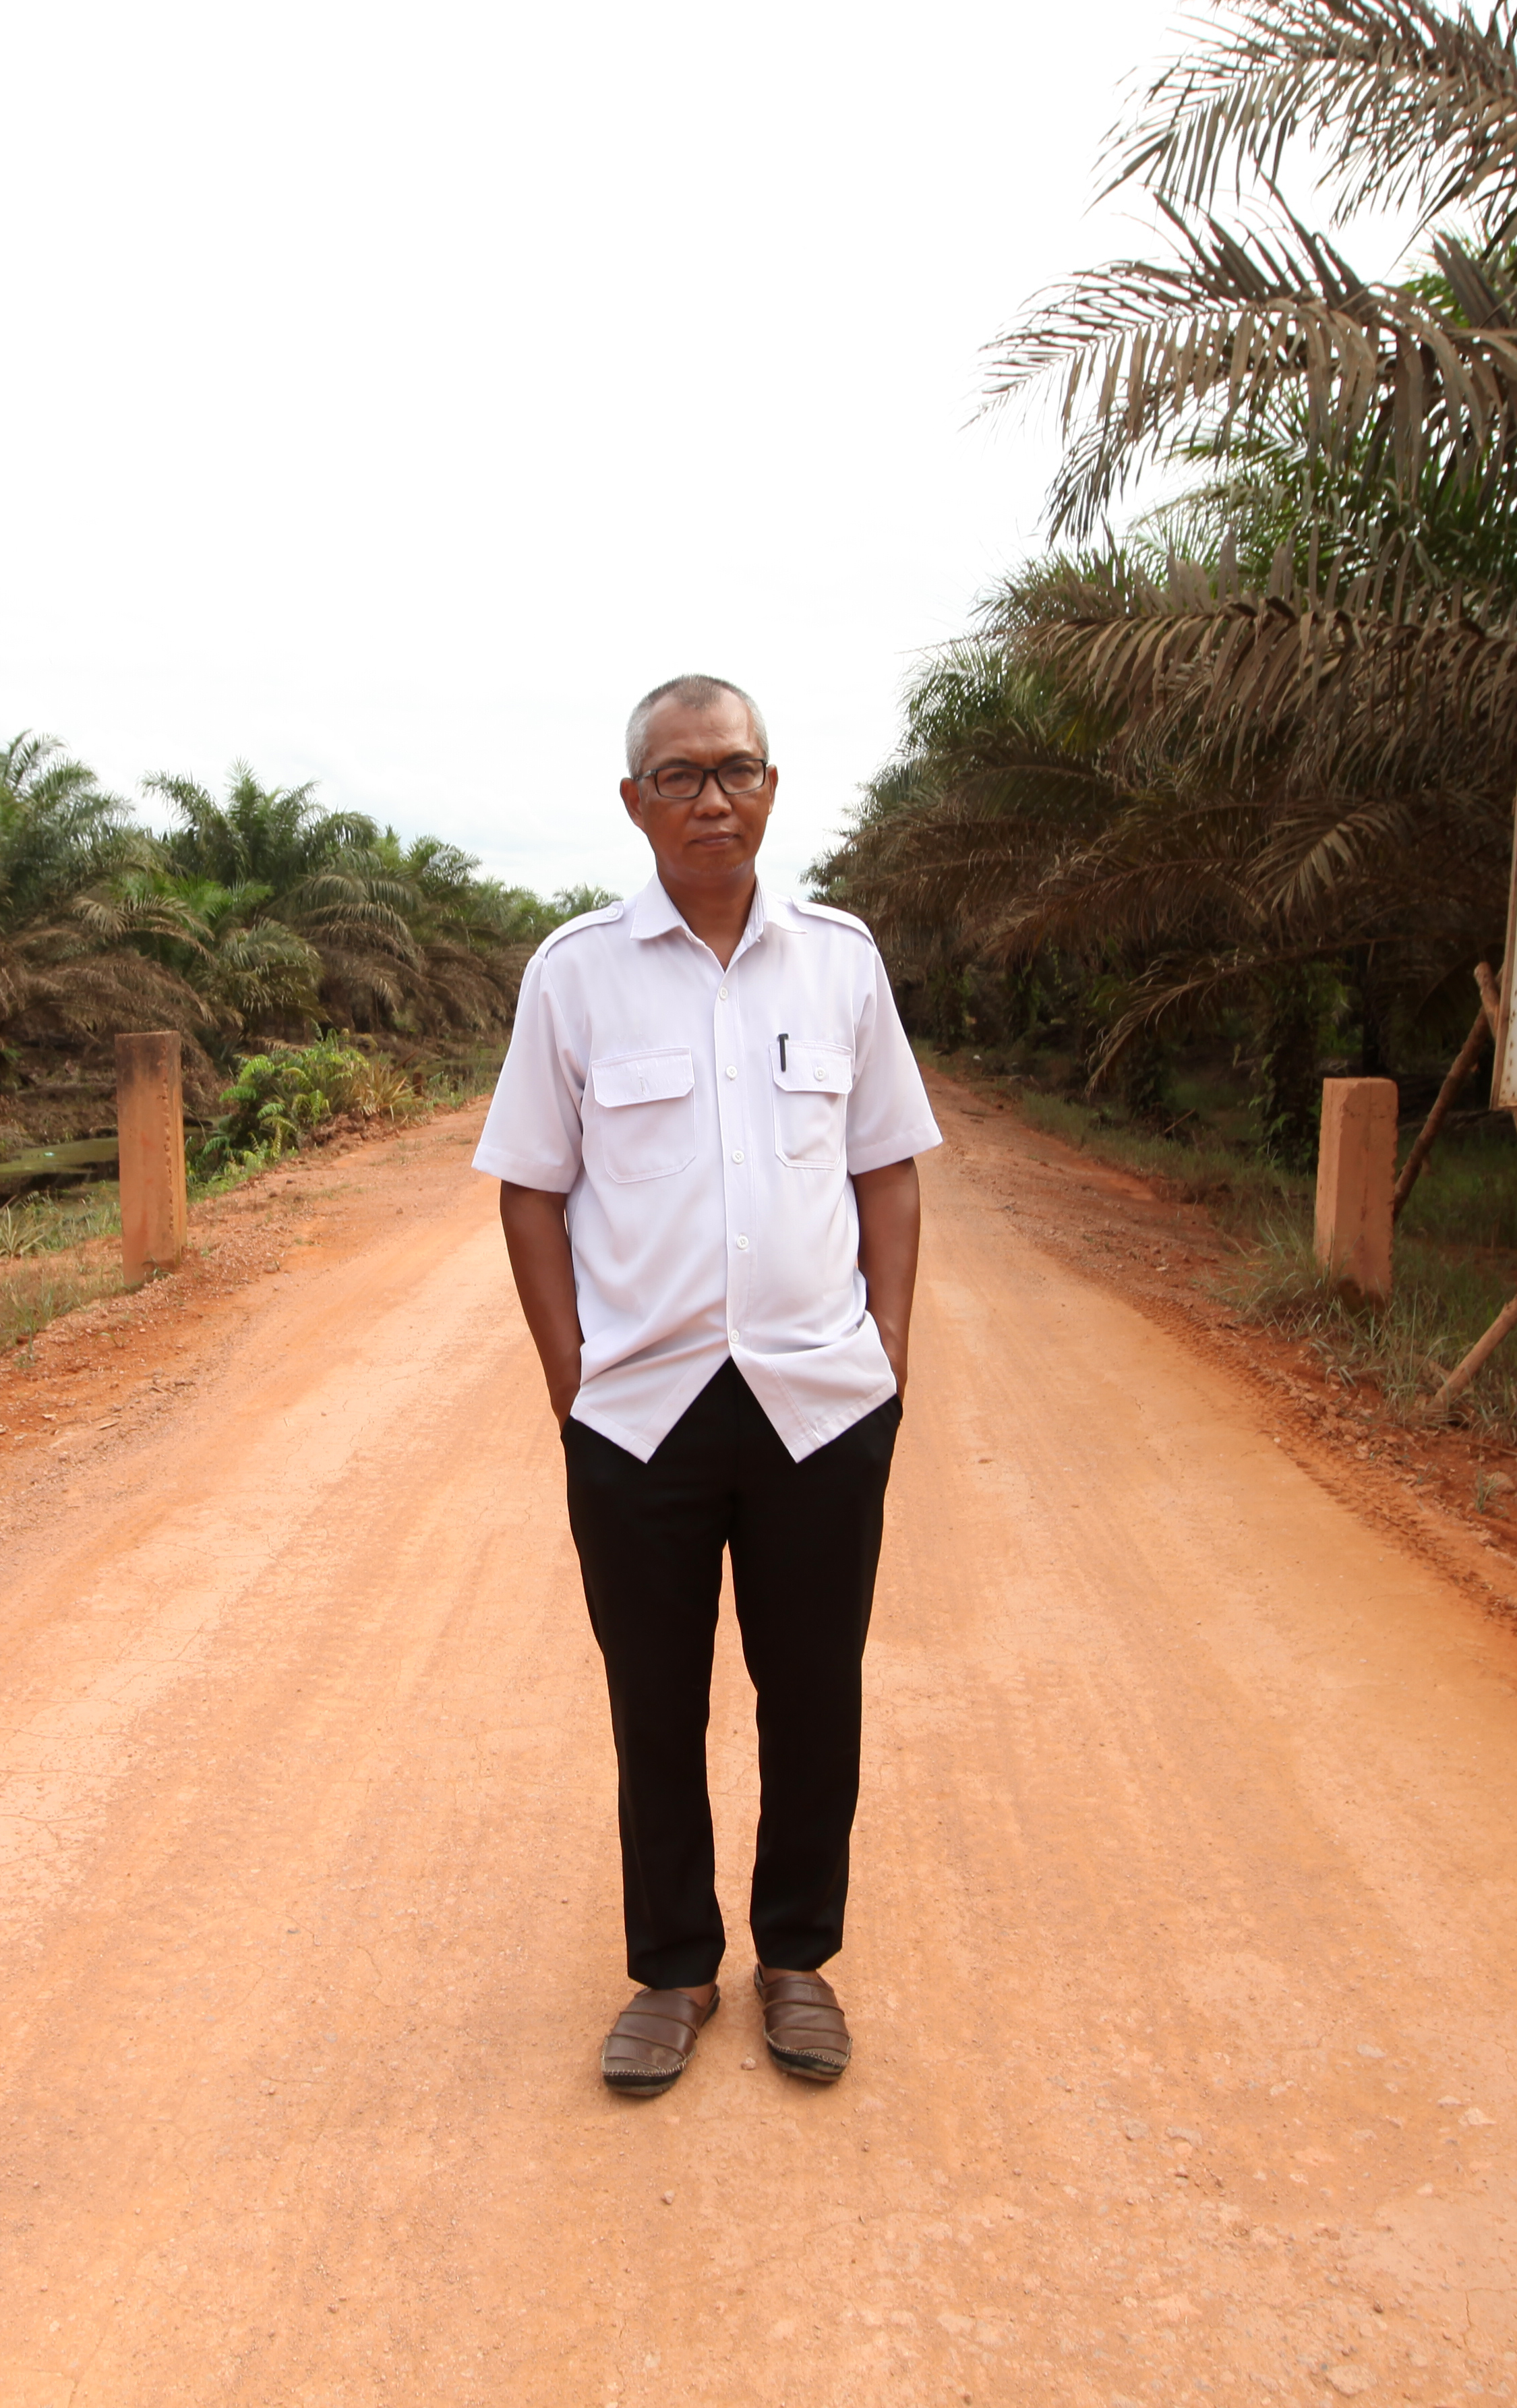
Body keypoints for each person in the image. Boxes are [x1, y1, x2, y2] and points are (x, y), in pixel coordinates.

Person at [473, 673, 942, 2096]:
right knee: (653, 1702)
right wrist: (573, 1387)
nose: (711, 797)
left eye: (734, 768)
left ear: (772, 787)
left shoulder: (841, 963)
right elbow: (531, 1195)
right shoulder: (576, 975)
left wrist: (890, 1367)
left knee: (815, 1693)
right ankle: (672, 1971)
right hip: (641, 1411)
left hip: (817, 1403)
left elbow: (888, 1174)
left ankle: (796, 1959)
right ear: (635, 805)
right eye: (677, 776)